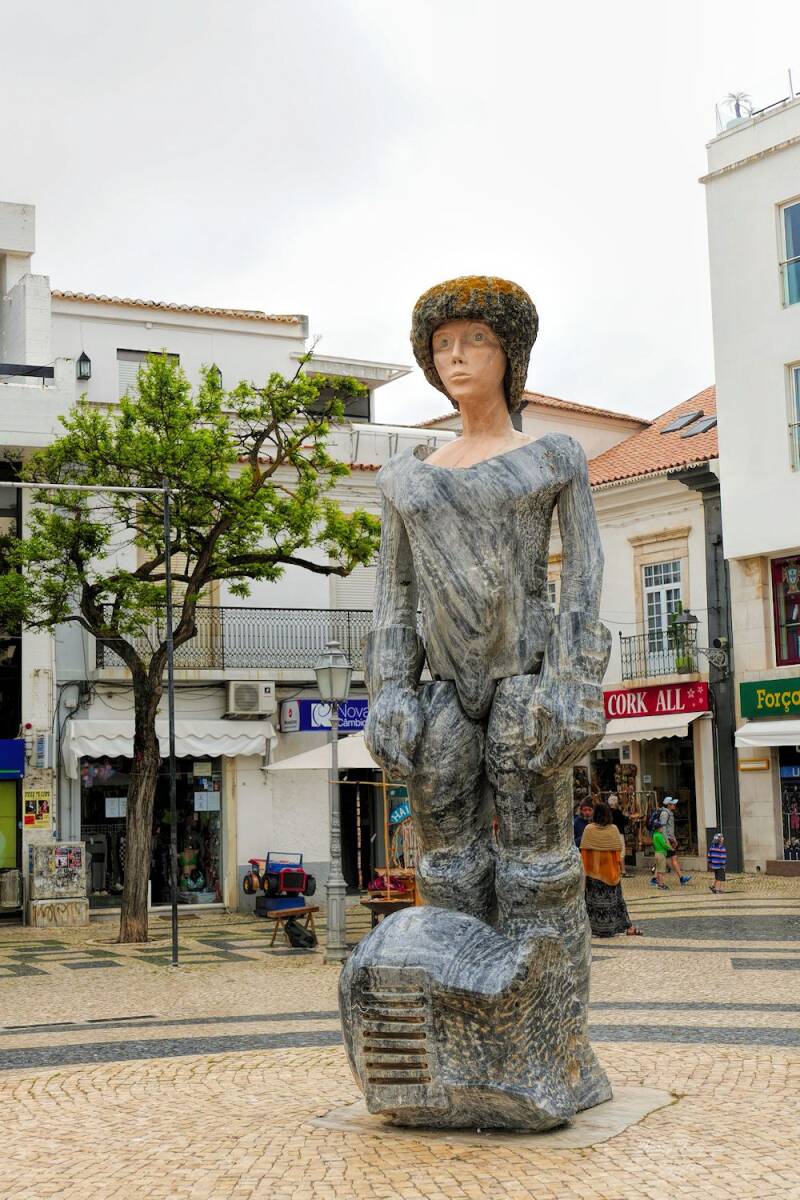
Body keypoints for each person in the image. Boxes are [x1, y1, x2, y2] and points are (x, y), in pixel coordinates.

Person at [364, 275, 611, 1000]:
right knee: (445, 865)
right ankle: (460, 999)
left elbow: (585, 569)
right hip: (442, 686)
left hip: (526, 679)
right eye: (442, 344)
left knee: (537, 863)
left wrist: (573, 683)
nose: (457, 356)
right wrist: (390, 691)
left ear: (509, 354)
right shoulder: (405, 479)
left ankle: (545, 1008)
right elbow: (394, 591)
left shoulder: (552, 457)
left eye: (476, 340)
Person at [579, 802, 642, 936]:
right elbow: (617, 855)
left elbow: (584, 853)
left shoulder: (589, 829)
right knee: (616, 902)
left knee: (593, 904)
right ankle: (623, 927)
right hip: (610, 873)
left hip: (593, 874)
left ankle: (594, 929)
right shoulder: (613, 829)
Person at [649, 796, 691, 886]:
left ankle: (655, 878)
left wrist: (673, 839)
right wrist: (667, 841)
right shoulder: (665, 814)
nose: (675, 805)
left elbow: (669, 828)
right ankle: (681, 878)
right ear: (668, 805)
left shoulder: (668, 813)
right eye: (673, 804)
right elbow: (663, 828)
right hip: (667, 840)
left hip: (669, 839)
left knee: (665, 859)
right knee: (673, 858)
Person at [651, 824, 671, 890]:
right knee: (661, 871)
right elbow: (664, 844)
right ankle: (661, 885)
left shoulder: (654, 835)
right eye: (661, 828)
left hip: (656, 853)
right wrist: (670, 848)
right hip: (661, 854)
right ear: (658, 829)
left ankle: (659, 883)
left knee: (658, 870)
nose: (662, 829)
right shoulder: (659, 835)